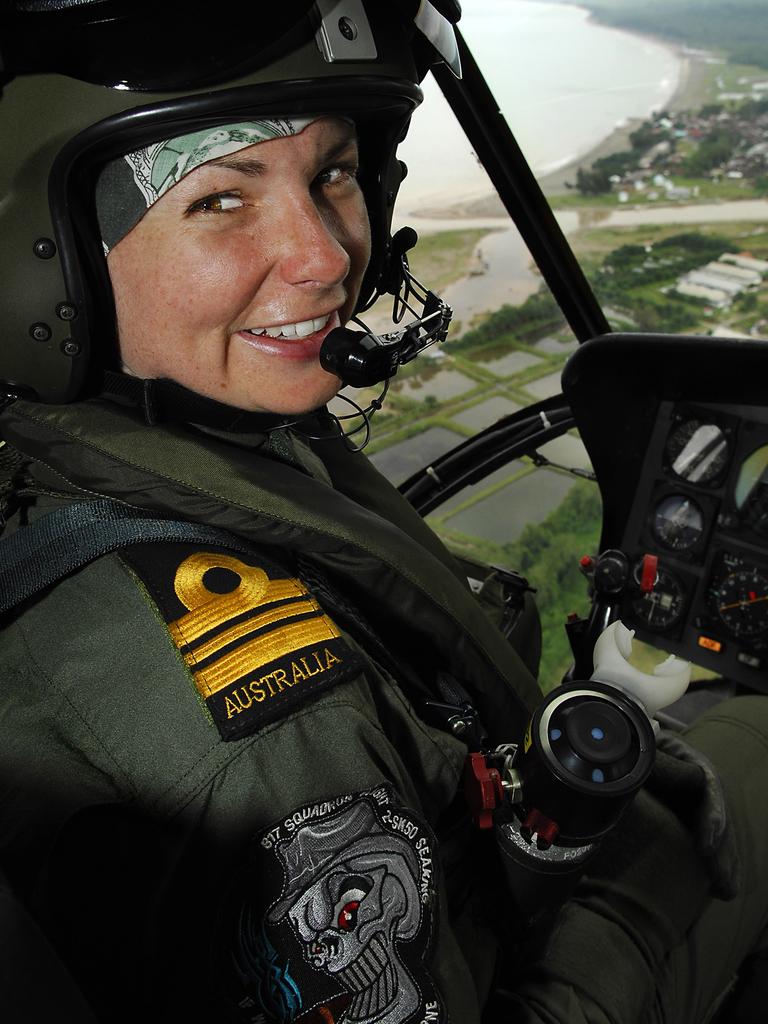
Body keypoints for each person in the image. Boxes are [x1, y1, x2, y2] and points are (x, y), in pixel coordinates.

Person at [0, 3, 766, 1023]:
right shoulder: (261, 730)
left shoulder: (160, 442)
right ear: (45, 258)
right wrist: (625, 886)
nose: (321, 256)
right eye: (222, 200)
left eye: (333, 173)